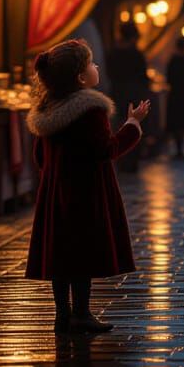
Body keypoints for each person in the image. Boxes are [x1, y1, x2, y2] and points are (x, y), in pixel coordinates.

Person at [25, 39, 151, 334]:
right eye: (91, 64)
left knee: (61, 254)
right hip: (87, 191)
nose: (96, 67)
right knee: (82, 252)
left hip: (55, 192)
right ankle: (81, 313)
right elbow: (105, 149)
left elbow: (40, 157)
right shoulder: (91, 110)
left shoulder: (48, 110)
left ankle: (62, 315)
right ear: (81, 77)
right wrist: (132, 125)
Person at [104, 22, 152, 158]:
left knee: (119, 126)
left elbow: (109, 73)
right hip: (134, 94)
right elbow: (143, 77)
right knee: (135, 125)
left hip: (117, 93)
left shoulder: (112, 53)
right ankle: (133, 158)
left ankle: (121, 157)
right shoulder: (136, 54)